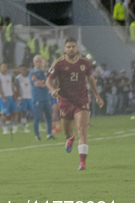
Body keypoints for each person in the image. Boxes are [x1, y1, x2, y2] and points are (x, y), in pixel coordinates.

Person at [46, 38, 104, 170]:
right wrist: (52, 90)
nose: (71, 49)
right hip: (65, 101)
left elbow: (90, 79)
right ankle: (70, 138)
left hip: (81, 101)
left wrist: (97, 96)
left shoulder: (85, 63)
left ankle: (82, 162)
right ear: (64, 49)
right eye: (68, 47)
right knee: (67, 132)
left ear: (77, 48)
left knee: (82, 129)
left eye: (73, 46)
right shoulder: (58, 63)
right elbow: (48, 80)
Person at [29, 55, 54, 141]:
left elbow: (51, 81)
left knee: (49, 116)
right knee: (37, 117)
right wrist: (45, 83)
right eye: (37, 61)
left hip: (46, 98)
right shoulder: (33, 72)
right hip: (37, 98)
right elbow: (36, 83)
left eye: (40, 61)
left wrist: (44, 83)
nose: (39, 63)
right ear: (34, 63)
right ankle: (37, 135)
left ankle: (49, 135)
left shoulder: (44, 72)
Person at [0, 63, 18, 134]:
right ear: (0, 68)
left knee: (14, 112)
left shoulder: (9, 76)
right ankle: (4, 129)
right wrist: (3, 97)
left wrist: (14, 96)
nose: (5, 68)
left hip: (10, 96)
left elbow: (11, 86)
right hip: (3, 97)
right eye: (3, 67)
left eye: (6, 67)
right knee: (3, 113)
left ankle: (15, 128)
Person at [14, 65, 32, 133]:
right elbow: (17, 89)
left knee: (36, 111)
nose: (23, 71)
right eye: (22, 69)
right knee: (23, 112)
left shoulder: (30, 76)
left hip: (31, 97)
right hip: (23, 97)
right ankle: (24, 126)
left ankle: (39, 125)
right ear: (20, 71)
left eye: (25, 69)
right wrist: (20, 97)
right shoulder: (18, 78)